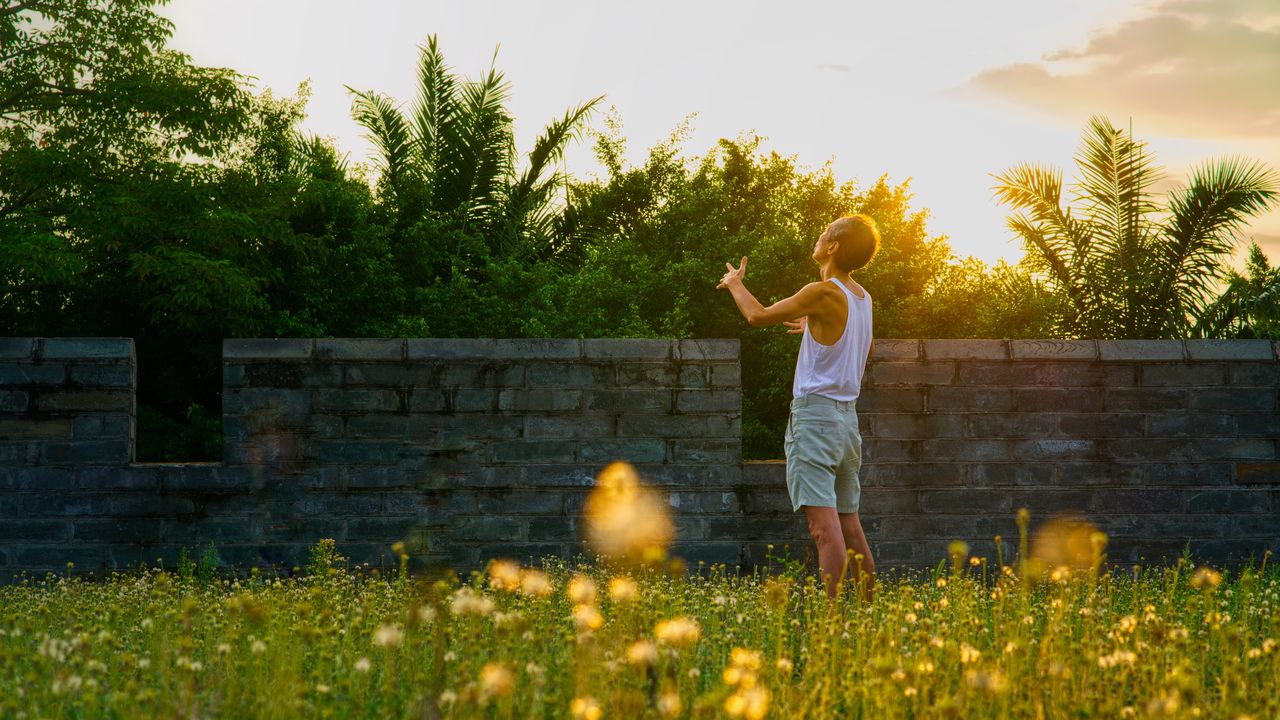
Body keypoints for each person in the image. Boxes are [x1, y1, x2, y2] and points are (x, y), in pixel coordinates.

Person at [717, 214, 880, 602]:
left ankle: (833, 623)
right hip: (846, 423)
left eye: (825, 233)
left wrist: (735, 284)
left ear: (834, 247)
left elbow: (757, 315)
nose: (819, 236)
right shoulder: (861, 298)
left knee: (825, 530)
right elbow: (861, 348)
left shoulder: (822, 292)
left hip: (816, 419)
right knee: (850, 525)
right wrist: (816, 328)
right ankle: (870, 612)